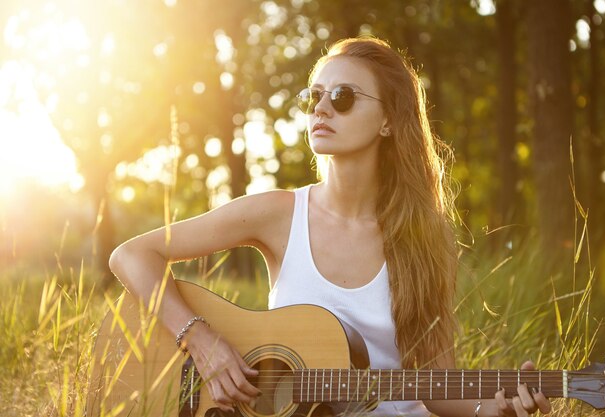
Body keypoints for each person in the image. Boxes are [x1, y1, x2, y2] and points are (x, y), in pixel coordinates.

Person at [109, 37, 552, 417]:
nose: (321, 107)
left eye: (342, 96)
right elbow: (131, 255)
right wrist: (201, 342)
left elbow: (435, 380)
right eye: (313, 96)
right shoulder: (277, 214)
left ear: (388, 121)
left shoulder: (423, 237)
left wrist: (486, 409)